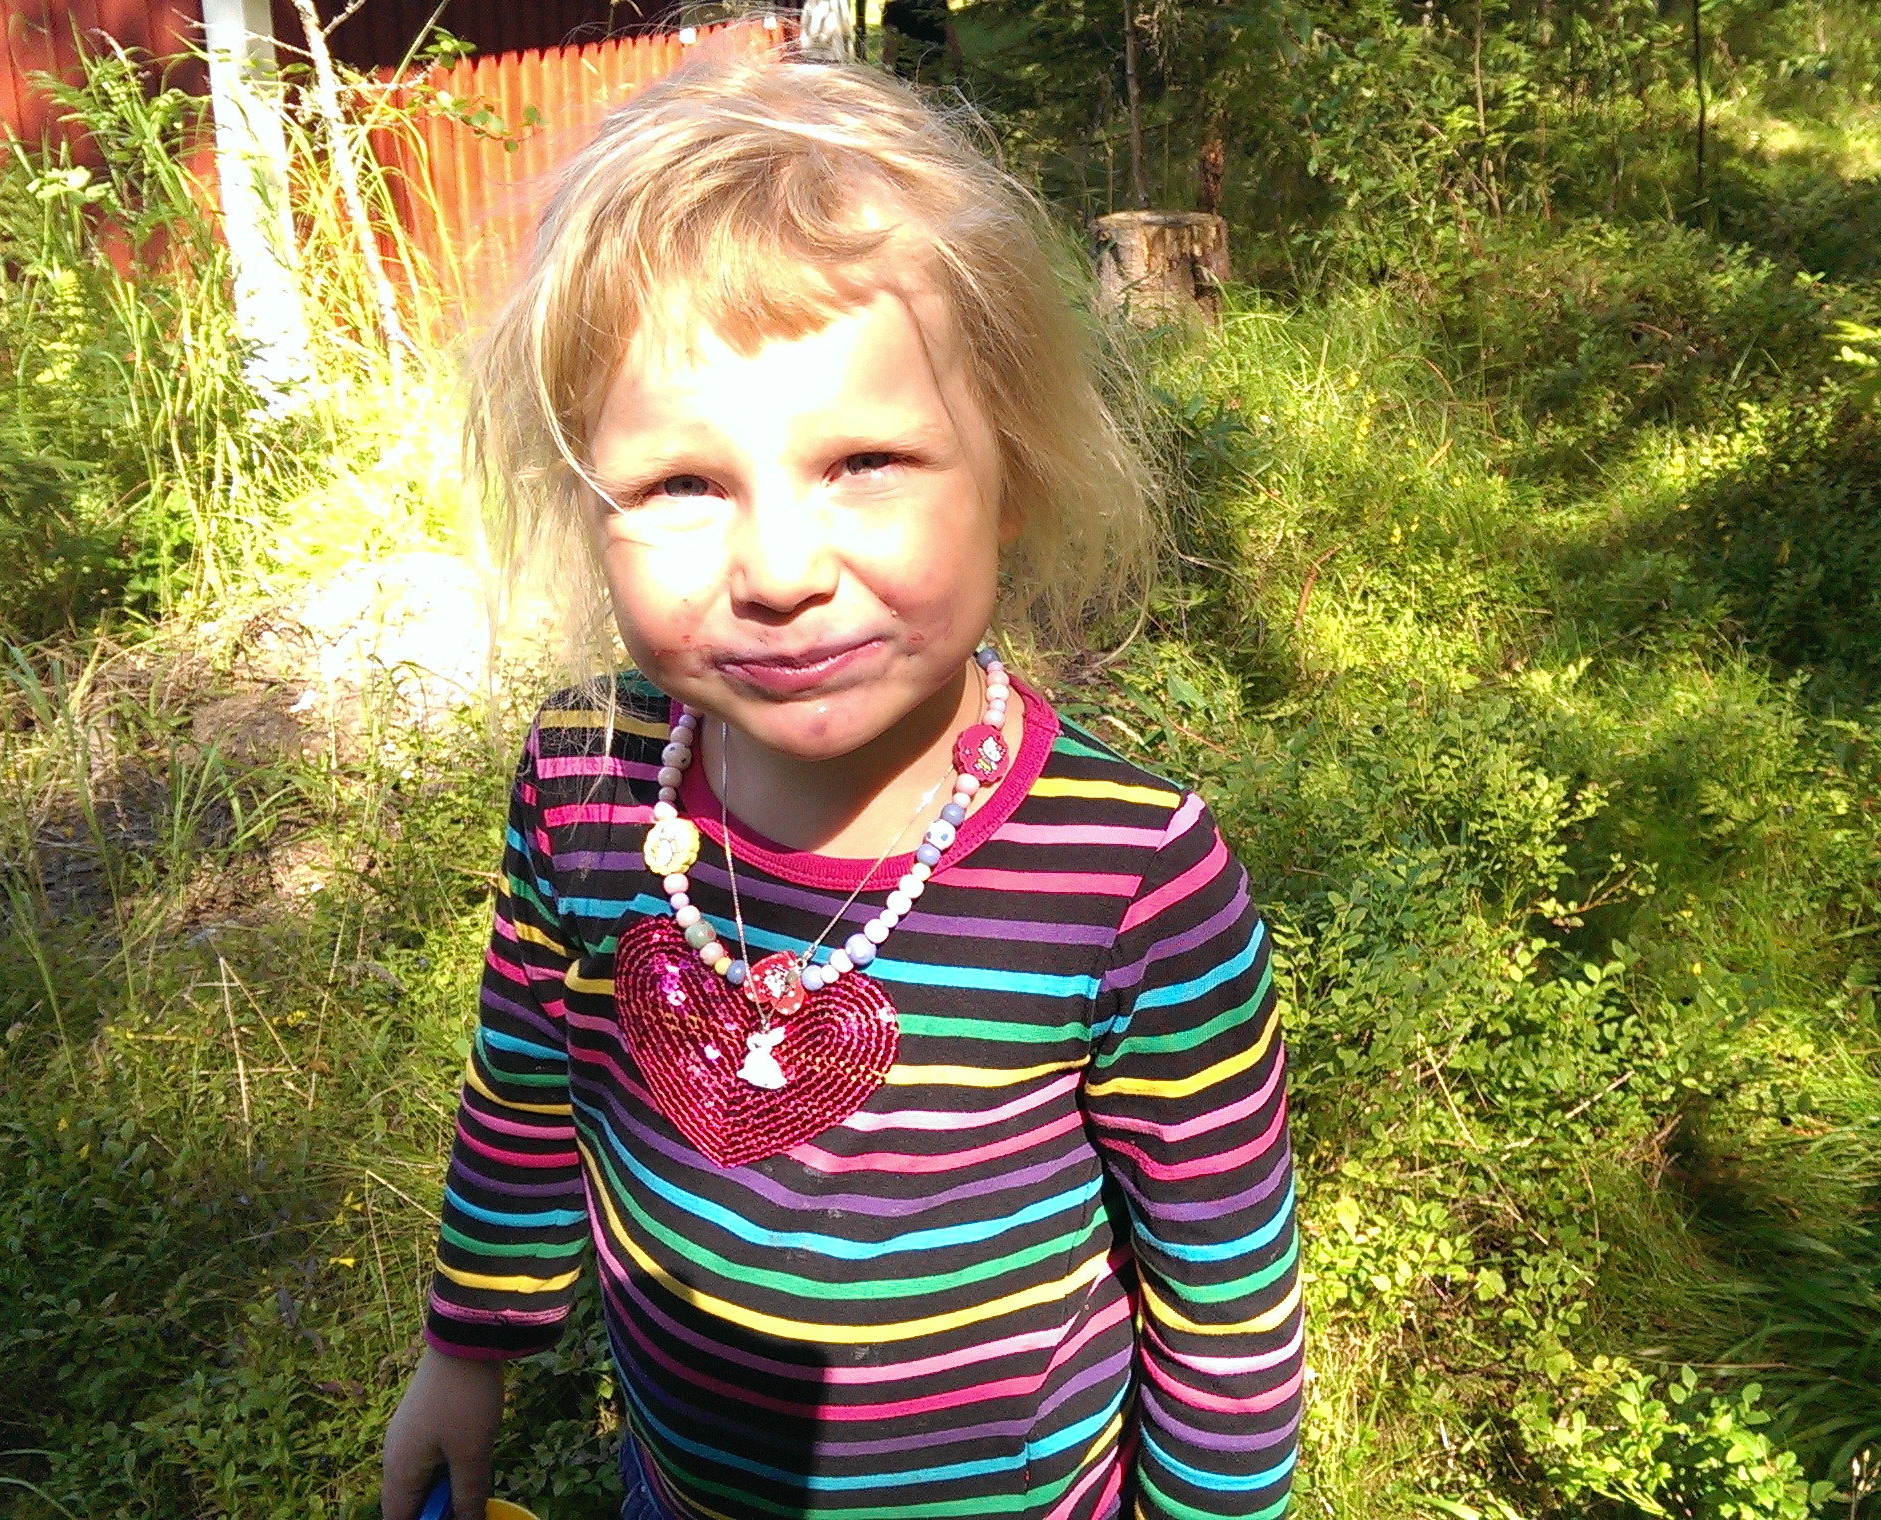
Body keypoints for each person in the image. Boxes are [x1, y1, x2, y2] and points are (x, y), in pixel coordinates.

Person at [378, 45, 1302, 1520]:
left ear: (1014, 473)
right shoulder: (583, 789)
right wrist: (464, 1349)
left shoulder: (1129, 879)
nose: (780, 571)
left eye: (864, 460)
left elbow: (1227, 1297)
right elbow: (527, 1086)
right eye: (682, 484)